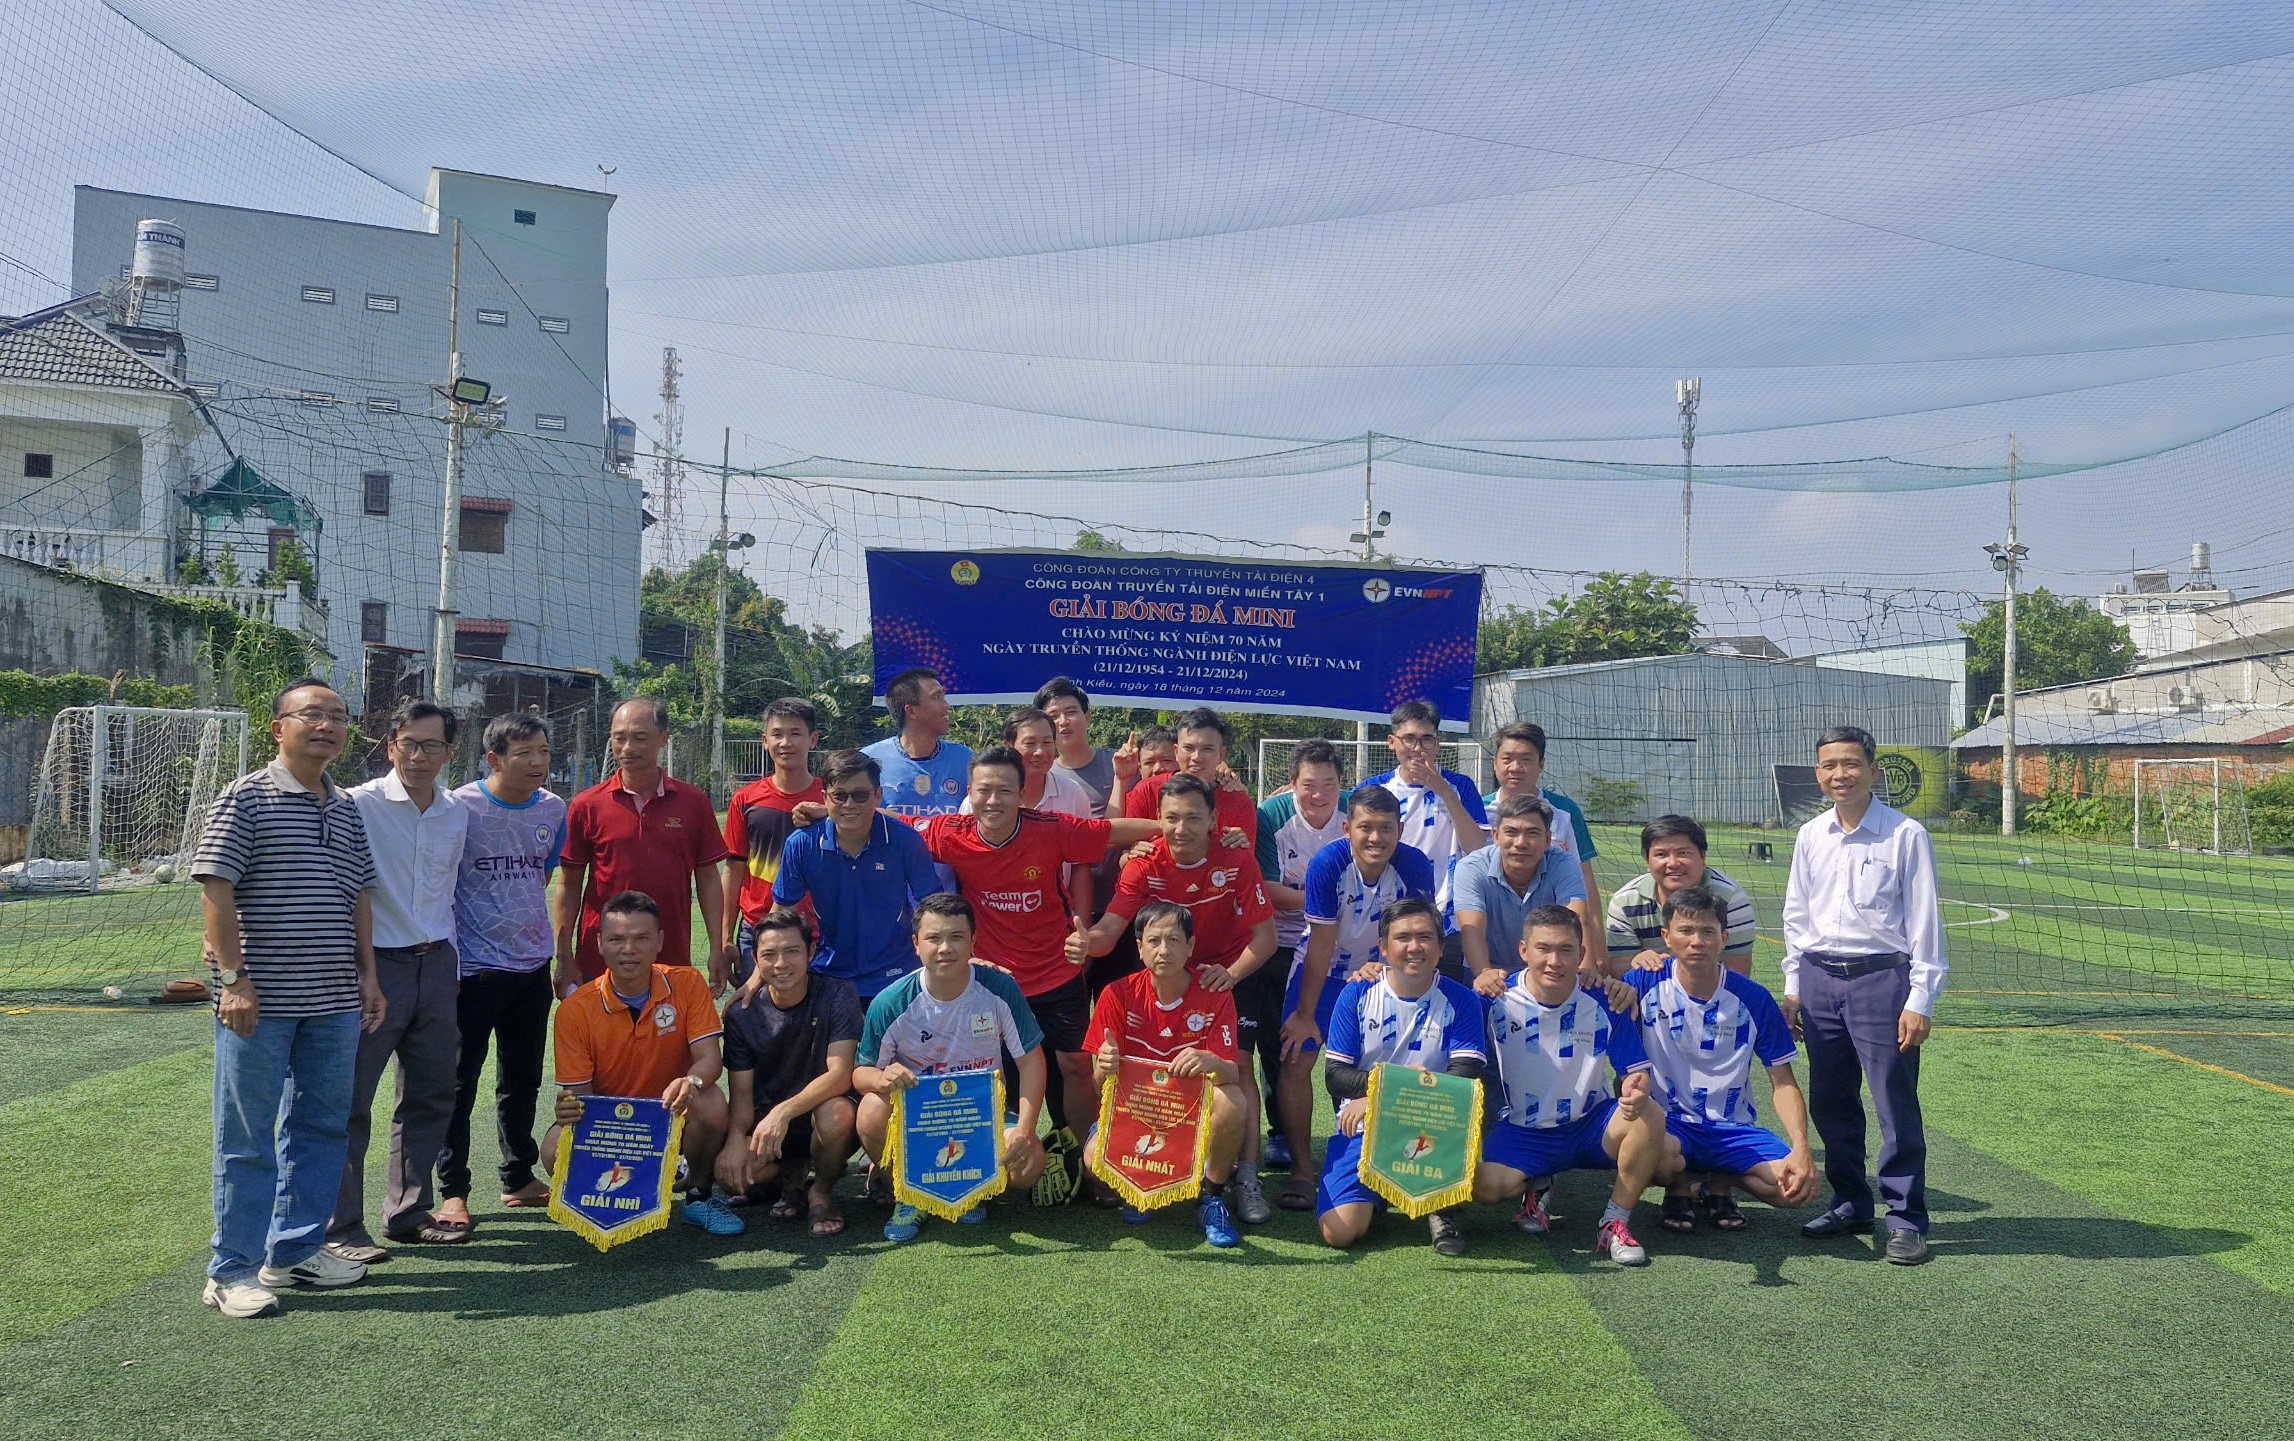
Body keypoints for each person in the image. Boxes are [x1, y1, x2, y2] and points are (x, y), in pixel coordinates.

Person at [192, 678, 386, 1317]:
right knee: (247, 1138)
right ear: (280, 728)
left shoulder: (345, 806)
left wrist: (368, 976)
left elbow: (359, 894)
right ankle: (231, 1270)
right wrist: (233, 981)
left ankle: (295, 1251)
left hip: (334, 999)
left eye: (338, 716)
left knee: (322, 1127)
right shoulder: (246, 797)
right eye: (312, 714)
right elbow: (216, 888)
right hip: (260, 1001)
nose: (327, 725)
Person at [920, 747, 1161, 1194]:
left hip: (1056, 971)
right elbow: (892, 823)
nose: (993, 800)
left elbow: (1110, 831)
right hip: (992, 981)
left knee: (1075, 1064)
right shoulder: (950, 833)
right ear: (969, 793)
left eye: (1004, 791)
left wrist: (1178, 828)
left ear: (1021, 793)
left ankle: (1091, 1160)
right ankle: (987, 1162)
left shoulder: (1050, 828)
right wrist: (826, 810)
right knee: (991, 1073)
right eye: (984, 791)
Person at [1070, 772, 1279, 1222]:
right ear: (1159, 819)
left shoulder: (1236, 857)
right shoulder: (1145, 862)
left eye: (1193, 818)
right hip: (1166, 967)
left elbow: (1266, 938)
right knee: (1148, 1065)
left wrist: (1230, 974)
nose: (1181, 828)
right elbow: (1111, 929)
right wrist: (1087, 942)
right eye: (1171, 818)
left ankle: (1243, 1178)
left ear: (1213, 820)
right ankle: (1151, 1167)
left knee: (1236, 1068)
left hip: (1227, 972)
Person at [1781, 724, 1945, 1265]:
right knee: (1832, 1100)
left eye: (1850, 764)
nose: (1840, 774)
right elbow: (1797, 915)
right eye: (1829, 765)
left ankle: (1905, 1219)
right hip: (1819, 980)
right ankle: (1851, 1201)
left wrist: (1920, 999)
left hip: (1882, 981)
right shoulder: (1811, 835)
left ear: (1873, 771)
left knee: (1894, 1102)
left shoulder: (1905, 834)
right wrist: (1794, 986)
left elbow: (1925, 921)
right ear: (1818, 773)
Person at [330, 699, 469, 1260]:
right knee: (349, 1099)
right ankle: (339, 1227)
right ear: (390, 748)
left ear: (448, 753)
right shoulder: (356, 805)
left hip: (437, 963)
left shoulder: (456, 812)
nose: (418, 756)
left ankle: (408, 1212)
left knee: (431, 1092)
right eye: (408, 744)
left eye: (431, 745)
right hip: (373, 967)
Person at [1615, 886, 1817, 1237]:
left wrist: (1801, 1147)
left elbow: (1783, 1082)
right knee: (1651, 1155)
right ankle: (1679, 1186)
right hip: (1670, 1125)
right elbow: (1599, 1005)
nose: (1697, 941)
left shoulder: (1753, 998)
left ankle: (1720, 1179)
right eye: (1686, 931)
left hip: (1731, 1128)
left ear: (1724, 938)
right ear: (1666, 937)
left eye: (1707, 931)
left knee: (1794, 1190)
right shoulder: (1641, 983)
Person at [1476, 906, 1668, 1267]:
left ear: (1581, 954)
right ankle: (1538, 1182)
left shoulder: (1606, 998)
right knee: (1485, 1188)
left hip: (1588, 1126)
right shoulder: (1493, 998)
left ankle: (1614, 1222)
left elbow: (1636, 1071)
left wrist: (1636, 1088)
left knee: (1650, 1114)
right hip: (1524, 1128)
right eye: (1543, 949)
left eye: (1565, 950)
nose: (1554, 961)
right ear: (1523, 950)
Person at [1273, 785, 1435, 1211]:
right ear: (1347, 829)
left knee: (1373, 1065)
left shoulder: (1415, 864)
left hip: (1382, 973)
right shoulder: (1328, 863)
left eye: (1386, 828)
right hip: (1323, 971)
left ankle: (1379, 1157)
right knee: (1297, 1059)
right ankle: (1302, 1171)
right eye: (1366, 827)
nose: (1376, 837)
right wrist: (1305, 1014)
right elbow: (1322, 941)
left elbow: (1412, 933)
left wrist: (1382, 971)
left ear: (1400, 830)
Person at [853, 894, 1050, 1242]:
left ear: (974, 941)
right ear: (916, 944)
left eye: (956, 937)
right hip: (919, 1121)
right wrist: (883, 1077)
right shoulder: (891, 1001)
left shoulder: (999, 988)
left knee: (1030, 1162)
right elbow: (860, 1073)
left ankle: (973, 1187)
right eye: (934, 938)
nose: (945, 948)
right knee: (870, 1108)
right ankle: (908, 1192)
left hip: (980, 1115)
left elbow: (1031, 1061)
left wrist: (1025, 1128)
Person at [546, 891, 743, 1236]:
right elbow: (580, 1095)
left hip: (670, 1110)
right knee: (553, 1148)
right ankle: (623, 1193)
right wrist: (570, 1107)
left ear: (659, 942)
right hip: (612, 1122)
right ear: (600, 943)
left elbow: (710, 1059)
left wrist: (690, 1082)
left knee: (710, 1102)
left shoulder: (687, 983)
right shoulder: (574, 1010)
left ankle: (698, 1196)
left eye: (641, 938)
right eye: (617, 939)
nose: (629, 949)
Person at [437, 713, 566, 1230]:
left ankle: (518, 1176)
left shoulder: (554, 808)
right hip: (473, 970)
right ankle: (453, 1190)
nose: (538, 762)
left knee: (522, 1080)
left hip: (532, 966)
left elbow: (542, 874)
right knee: (458, 1083)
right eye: (525, 753)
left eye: (544, 752)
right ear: (494, 759)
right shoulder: (460, 807)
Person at [1315, 899, 1488, 1256]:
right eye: (1403, 937)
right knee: (1339, 1232)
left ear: (1441, 947)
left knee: (1475, 1149)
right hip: (1366, 1124)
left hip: (1433, 1123)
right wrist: (1394, 1085)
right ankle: (1381, 1190)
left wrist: (1388, 1093)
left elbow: (1465, 1075)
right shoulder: (1357, 993)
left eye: (1425, 937)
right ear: (1383, 946)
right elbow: (1335, 1077)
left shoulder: (1462, 1000)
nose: (1414, 947)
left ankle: (1441, 1206)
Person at [1081, 901, 1247, 1248]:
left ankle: (1210, 1196)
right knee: (1093, 1157)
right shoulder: (1117, 994)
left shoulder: (1214, 994)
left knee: (1232, 1099)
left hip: (1188, 1117)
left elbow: (1232, 1071)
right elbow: (1098, 1089)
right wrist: (1104, 1068)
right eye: (1154, 941)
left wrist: (1210, 1061)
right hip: (1135, 1115)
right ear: (1139, 947)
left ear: (1190, 946)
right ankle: (1137, 1188)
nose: (1164, 950)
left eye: (1174, 940)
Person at [555, 698, 730, 992]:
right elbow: (568, 884)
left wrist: (717, 947)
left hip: (670, 953)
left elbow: (709, 879)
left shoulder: (693, 802)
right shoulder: (587, 804)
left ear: (664, 738)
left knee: (668, 1021)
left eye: (639, 737)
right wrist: (564, 956)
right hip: (601, 957)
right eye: (619, 738)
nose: (627, 748)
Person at [715, 907, 862, 1238]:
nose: (781, 964)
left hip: (820, 1119)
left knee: (837, 1112)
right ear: (756, 958)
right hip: (769, 1128)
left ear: (810, 952)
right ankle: (789, 1175)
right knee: (728, 1176)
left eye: (792, 951)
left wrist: (783, 1112)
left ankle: (821, 1191)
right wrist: (735, 1139)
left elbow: (840, 1074)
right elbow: (741, 1096)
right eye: (769, 954)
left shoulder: (838, 994)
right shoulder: (742, 1014)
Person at [758, 749, 947, 1003]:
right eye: (839, 796)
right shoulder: (802, 844)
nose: (849, 805)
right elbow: (782, 912)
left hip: (896, 975)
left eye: (860, 795)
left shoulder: (905, 840)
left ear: (878, 795)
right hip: (828, 973)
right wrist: (757, 976)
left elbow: (933, 908)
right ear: (824, 798)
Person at [1251, 738, 1350, 1171]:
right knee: (1282, 1043)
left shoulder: (1355, 810)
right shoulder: (1271, 815)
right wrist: (1327, 900)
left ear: (1342, 783)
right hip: (1283, 941)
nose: (1319, 794)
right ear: (1292, 783)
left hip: (1344, 947)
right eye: (1309, 785)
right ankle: (1281, 1136)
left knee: (1349, 1046)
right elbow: (1268, 890)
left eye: (1329, 784)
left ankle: (1352, 1131)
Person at [1362, 700, 1488, 972]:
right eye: (1409, 739)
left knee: (1445, 992)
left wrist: (1444, 791)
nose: (1418, 748)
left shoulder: (1460, 786)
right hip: (1386, 917)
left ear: (1438, 744)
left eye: (1426, 739)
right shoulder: (1374, 788)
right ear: (1392, 742)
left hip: (1447, 922)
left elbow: (1478, 848)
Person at [720, 697, 827, 988]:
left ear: (813, 739)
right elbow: (734, 869)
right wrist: (725, 937)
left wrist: (829, 812)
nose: (786, 743)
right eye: (777, 734)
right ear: (765, 741)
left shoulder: (831, 799)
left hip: (819, 932)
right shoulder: (746, 799)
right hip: (757, 929)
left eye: (795, 733)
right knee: (755, 1010)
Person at [1454, 795, 1595, 998]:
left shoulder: (1563, 864)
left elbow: (1577, 919)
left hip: (1546, 969)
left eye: (1532, 833)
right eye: (1511, 832)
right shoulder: (1471, 868)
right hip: (1491, 969)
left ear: (1547, 840)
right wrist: (1484, 973)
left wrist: (1585, 969)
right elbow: (1472, 929)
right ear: (1495, 836)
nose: (1521, 843)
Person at [1487, 722, 1603, 939]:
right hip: (1493, 936)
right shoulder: (1477, 810)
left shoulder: (1565, 811)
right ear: (1495, 763)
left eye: (1526, 760)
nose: (1515, 767)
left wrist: (1597, 945)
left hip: (1552, 938)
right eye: (1507, 759)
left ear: (1541, 764)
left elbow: (1585, 879)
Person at [1606, 815, 1759, 976]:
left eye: (1683, 853)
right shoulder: (1625, 902)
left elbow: (1737, 973)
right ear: (1647, 859)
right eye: (1661, 854)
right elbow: (1621, 973)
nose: (1673, 863)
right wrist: (1639, 961)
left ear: (1703, 857)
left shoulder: (1730, 898)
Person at [1116, 707, 1257, 845]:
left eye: (1207, 749)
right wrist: (1133, 851)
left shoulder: (1239, 802)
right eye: (1189, 748)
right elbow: (1126, 851)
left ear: (1221, 755)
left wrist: (1238, 848)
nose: (1196, 757)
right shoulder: (1146, 790)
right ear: (1176, 751)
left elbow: (1244, 857)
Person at [864, 667, 973, 822]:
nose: (947, 706)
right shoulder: (868, 760)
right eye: (936, 697)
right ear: (911, 711)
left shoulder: (965, 759)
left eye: (943, 697)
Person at [963, 706, 1093, 819]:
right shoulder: (981, 800)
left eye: (1047, 742)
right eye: (1030, 743)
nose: (1040, 752)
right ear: (1008, 746)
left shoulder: (1073, 793)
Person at [1035, 676, 1138, 818]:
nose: (1063, 722)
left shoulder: (1123, 762)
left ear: (1088, 718)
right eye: (1054, 716)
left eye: (1070, 712)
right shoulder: (1043, 776)